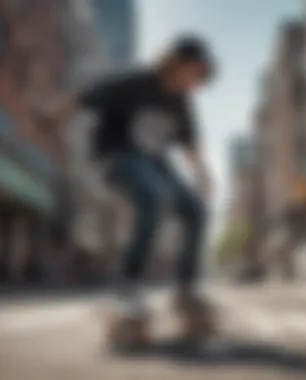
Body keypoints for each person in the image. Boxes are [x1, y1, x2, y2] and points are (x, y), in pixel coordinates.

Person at [78, 36, 216, 321]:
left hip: (155, 165)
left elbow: (189, 143)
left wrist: (202, 174)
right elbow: (84, 97)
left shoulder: (181, 102)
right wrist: (48, 118)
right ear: (175, 64)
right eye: (193, 74)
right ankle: (128, 287)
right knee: (154, 196)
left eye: (199, 79)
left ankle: (185, 289)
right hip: (115, 157)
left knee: (196, 210)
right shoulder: (135, 83)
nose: (194, 84)